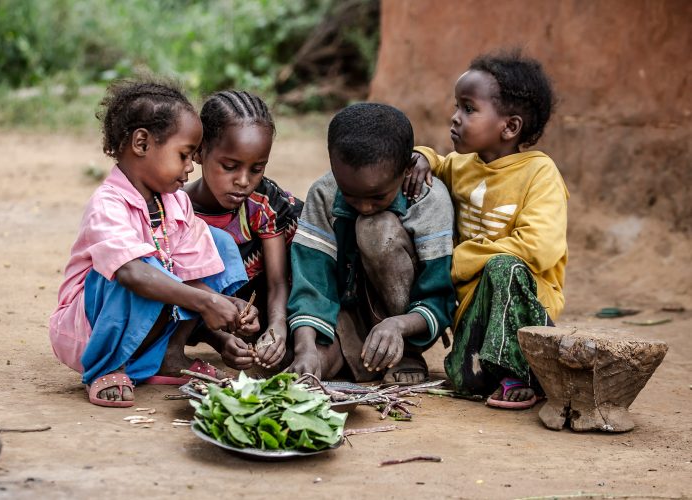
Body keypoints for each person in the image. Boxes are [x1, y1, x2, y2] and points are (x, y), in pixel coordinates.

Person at [49, 78, 258, 408]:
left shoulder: (176, 203)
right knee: (137, 268)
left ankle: (170, 356)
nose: (191, 167)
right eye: (185, 155)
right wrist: (205, 304)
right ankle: (106, 368)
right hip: (92, 328)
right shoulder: (108, 203)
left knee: (215, 243)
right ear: (142, 143)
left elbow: (191, 275)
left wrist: (225, 313)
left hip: (150, 325)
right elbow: (132, 273)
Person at [414, 50, 568, 409]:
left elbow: (539, 248)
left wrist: (462, 258)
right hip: (472, 305)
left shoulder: (539, 174)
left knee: (504, 266)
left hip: (525, 308)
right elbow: (438, 162)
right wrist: (421, 155)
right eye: (456, 106)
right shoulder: (463, 165)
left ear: (510, 127)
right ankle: (489, 368)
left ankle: (524, 373)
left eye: (468, 109)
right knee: (467, 383)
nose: (454, 118)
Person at [285, 102, 456, 384]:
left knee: (375, 228)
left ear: (405, 171)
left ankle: (407, 352)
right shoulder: (324, 192)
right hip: (346, 313)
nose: (364, 206)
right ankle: (357, 352)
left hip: (405, 320)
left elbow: (439, 295)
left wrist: (399, 325)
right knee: (306, 368)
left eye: (377, 197)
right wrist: (305, 348)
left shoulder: (429, 200)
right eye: (350, 195)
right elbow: (312, 280)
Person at [184, 90, 301, 372]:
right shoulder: (177, 211)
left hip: (265, 296)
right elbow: (180, 292)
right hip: (204, 304)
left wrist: (277, 327)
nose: (243, 181)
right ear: (199, 152)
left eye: (257, 168)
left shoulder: (263, 202)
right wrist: (220, 340)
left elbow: (277, 280)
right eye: (229, 166)